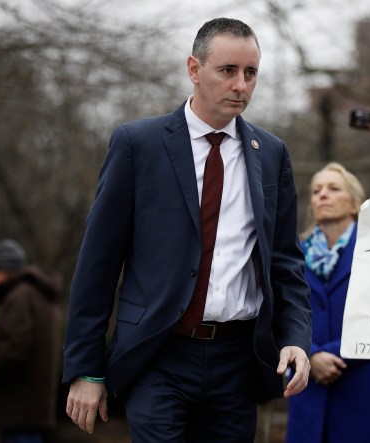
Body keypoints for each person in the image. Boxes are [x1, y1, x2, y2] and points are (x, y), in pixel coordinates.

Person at [62, 17, 312, 442]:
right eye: (228, 70)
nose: (241, 85)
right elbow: (98, 265)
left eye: (250, 73)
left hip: (238, 360)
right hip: (158, 353)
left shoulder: (270, 153)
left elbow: (285, 260)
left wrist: (295, 338)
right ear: (194, 70)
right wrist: (86, 369)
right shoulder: (136, 145)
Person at [285, 163, 370, 443]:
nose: (323, 195)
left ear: (355, 203)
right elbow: (281, 314)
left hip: (362, 387)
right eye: (317, 190)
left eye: (334, 189)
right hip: (307, 390)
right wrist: (310, 355)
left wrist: (329, 355)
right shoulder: (292, 254)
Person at [0, 239, 62, 443]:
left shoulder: (19, 297)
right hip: (36, 407)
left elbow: (12, 350)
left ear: (5, 271)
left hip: (18, 408)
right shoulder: (41, 295)